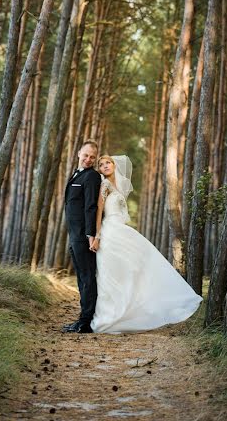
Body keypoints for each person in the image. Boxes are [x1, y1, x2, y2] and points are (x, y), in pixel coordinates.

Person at [90, 154, 203, 333]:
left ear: (113, 165)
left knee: (133, 266)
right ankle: (109, 315)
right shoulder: (104, 185)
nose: (105, 166)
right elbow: (99, 211)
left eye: (108, 163)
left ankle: (133, 308)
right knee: (110, 272)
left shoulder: (120, 186)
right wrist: (97, 235)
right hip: (109, 232)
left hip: (121, 229)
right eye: (101, 164)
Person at [62, 140, 101, 334]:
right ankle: (82, 318)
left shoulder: (92, 177)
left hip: (83, 236)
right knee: (81, 279)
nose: (88, 159)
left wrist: (90, 236)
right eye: (85, 155)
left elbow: (90, 207)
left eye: (92, 157)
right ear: (79, 153)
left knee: (87, 278)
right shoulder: (78, 174)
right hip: (74, 234)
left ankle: (86, 322)